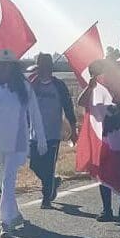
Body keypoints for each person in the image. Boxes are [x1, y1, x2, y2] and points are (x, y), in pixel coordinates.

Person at [0, 49, 47, 238]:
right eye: (0, 65)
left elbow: (35, 112)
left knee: (8, 181)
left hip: (17, 142)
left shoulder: (23, 86)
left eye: (7, 65)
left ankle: (5, 223)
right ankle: (14, 215)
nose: (3, 68)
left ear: (13, 68)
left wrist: (40, 137)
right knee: (2, 181)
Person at [79, 58, 120, 222]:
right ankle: (107, 209)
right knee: (102, 173)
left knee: (119, 171)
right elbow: (81, 102)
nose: (97, 76)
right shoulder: (94, 90)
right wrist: (90, 88)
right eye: (93, 74)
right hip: (102, 139)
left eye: (98, 72)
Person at [27, 52, 77, 208]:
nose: (40, 70)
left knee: (48, 166)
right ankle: (53, 182)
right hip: (34, 133)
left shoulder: (59, 86)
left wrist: (73, 131)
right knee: (34, 164)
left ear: (49, 68)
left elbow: (68, 109)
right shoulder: (32, 84)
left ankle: (46, 197)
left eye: (43, 67)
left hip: (53, 133)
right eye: (38, 67)